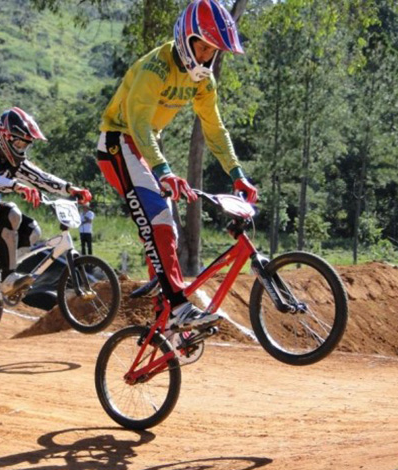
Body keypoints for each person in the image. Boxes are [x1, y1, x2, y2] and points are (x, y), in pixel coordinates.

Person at [96, 0, 258, 332]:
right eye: (202, 47)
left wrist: (236, 173)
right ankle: (177, 308)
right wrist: (164, 170)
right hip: (118, 142)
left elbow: (214, 128)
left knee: (166, 219)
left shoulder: (203, 80)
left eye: (212, 51)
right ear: (186, 39)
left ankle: (162, 306)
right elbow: (138, 125)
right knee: (159, 215)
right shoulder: (155, 67)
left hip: (143, 147)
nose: (206, 57)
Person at [0, 106, 92, 296]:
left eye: (26, 145)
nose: (23, 149)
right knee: (11, 213)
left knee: (33, 231)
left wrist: (70, 188)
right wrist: (16, 186)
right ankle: (8, 278)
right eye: (20, 144)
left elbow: (41, 178)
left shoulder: (15, 163)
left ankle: (3, 271)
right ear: (6, 137)